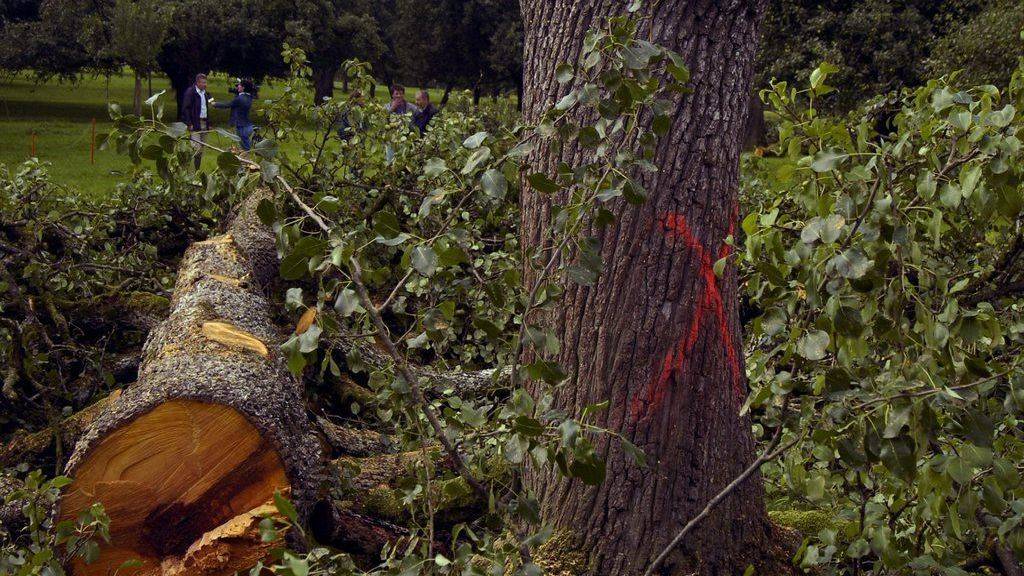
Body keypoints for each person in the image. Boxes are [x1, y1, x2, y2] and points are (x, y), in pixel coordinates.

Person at [181, 73, 213, 168]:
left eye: (206, 82)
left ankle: (197, 169)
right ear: (197, 83)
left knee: (202, 148)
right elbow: (185, 108)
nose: (205, 85)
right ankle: (189, 166)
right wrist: (189, 123)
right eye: (203, 83)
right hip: (195, 124)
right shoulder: (191, 92)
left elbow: (206, 108)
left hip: (204, 123)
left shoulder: (205, 93)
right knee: (196, 148)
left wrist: (209, 123)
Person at [214, 79, 255, 150]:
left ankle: (248, 159)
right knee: (245, 147)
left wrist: (215, 104)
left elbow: (228, 105)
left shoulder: (239, 98)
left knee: (246, 149)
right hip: (249, 125)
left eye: (239, 85)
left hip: (241, 126)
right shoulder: (250, 97)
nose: (237, 86)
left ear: (243, 87)